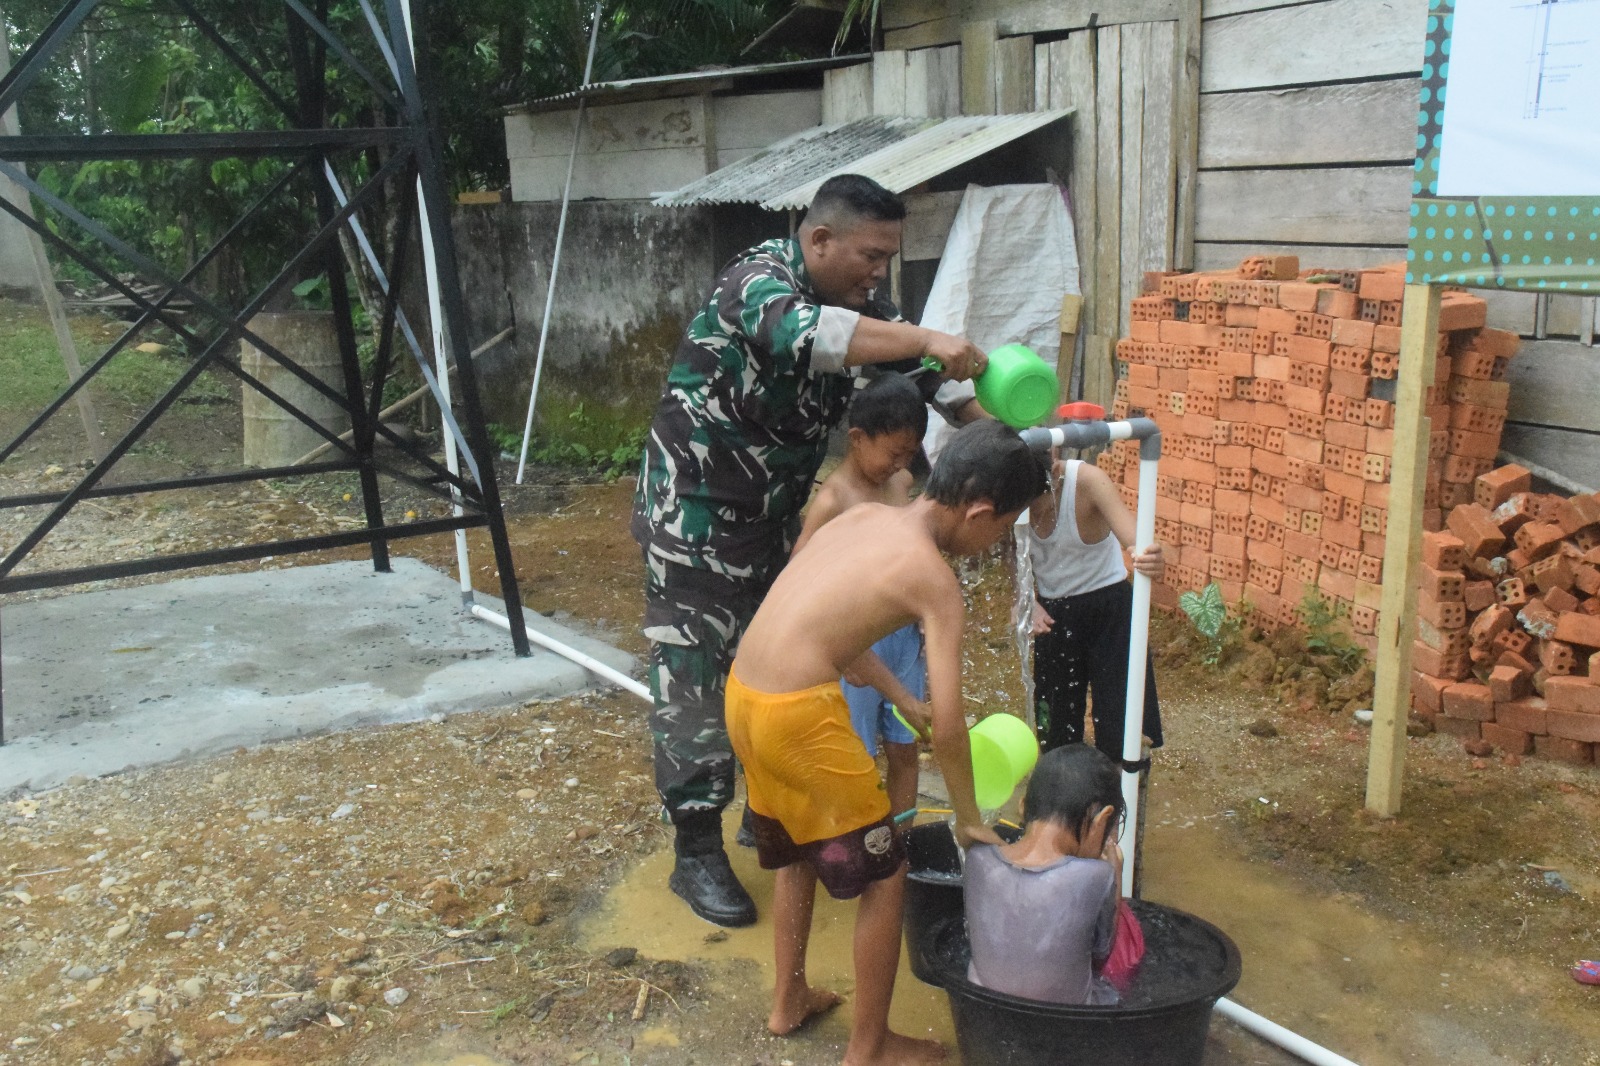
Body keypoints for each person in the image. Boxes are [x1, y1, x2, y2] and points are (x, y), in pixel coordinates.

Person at [632, 173, 989, 927]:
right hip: (695, 514)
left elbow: (926, 376)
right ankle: (695, 850)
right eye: (870, 254)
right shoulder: (758, 283)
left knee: (774, 659)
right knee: (697, 677)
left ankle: (760, 812)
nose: (879, 273)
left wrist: (992, 421)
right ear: (819, 240)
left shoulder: (863, 309)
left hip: (771, 518)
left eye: (890, 258)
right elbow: (819, 339)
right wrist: (927, 337)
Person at [726, 420, 1047, 1064]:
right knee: (887, 871)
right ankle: (870, 1047)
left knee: (796, 850)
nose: (990, 547)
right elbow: (953, 726)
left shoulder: (863, 518)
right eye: (999, 531)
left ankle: (788, 1000)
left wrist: (901, 699)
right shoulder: (934, 580)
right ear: (980, 511)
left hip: (746, 695)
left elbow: (832, 632)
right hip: (799, 718)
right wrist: (966, 818)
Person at [791, 372, 930, 823]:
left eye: (909, 454)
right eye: (893, 452)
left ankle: (900, 845)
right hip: (856, 647)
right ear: (856, 438)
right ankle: (861, 845)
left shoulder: (901, 483)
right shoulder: (834, 500)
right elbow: (797, 576)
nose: (899, 463)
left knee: (905, 747)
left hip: (903, 637)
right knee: (860, 757)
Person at [963, 743, 1143, 1005]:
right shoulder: (1096, 876)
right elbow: (1102, 953)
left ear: (1023, 806)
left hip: (983, 1014)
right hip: (1065, 1027)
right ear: (1102, 819)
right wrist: (1115, 872)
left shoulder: (978, 859)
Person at [1027, 454, 1165, 760]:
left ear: (1056, 469)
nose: (1033, 509)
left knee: (1124, 726)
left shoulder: (1088, 481)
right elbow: (1011, 550)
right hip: (1052, 615)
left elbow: (1137, 541)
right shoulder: (1008, 490)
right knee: (1055, 732)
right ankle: (1066, 800)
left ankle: (1128, 794)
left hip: (1110, 608)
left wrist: (1150, 556)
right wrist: (1025, 601)